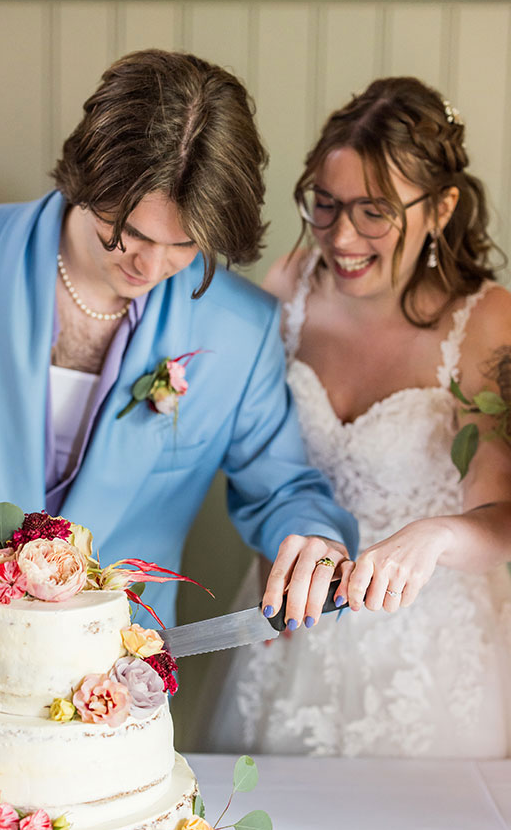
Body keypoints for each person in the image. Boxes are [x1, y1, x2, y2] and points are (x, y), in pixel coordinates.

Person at [0, 49, 359, 743]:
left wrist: (310, 541)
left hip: (108, 697)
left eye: (184, 246)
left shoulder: (240, 330)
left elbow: (281, 488)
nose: (150, 267)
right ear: (85, 174)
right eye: (126, 233)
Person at [206, 77, 511, 758]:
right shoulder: (287, 289)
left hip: (430, 647)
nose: (341, 236)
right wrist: (269, 556)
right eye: (325, 203)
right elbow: (263, 458)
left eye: (374, 211)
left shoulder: (486, 323)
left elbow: (501, 514)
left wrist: (433, 537)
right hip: (292, 620)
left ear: (441, 207)